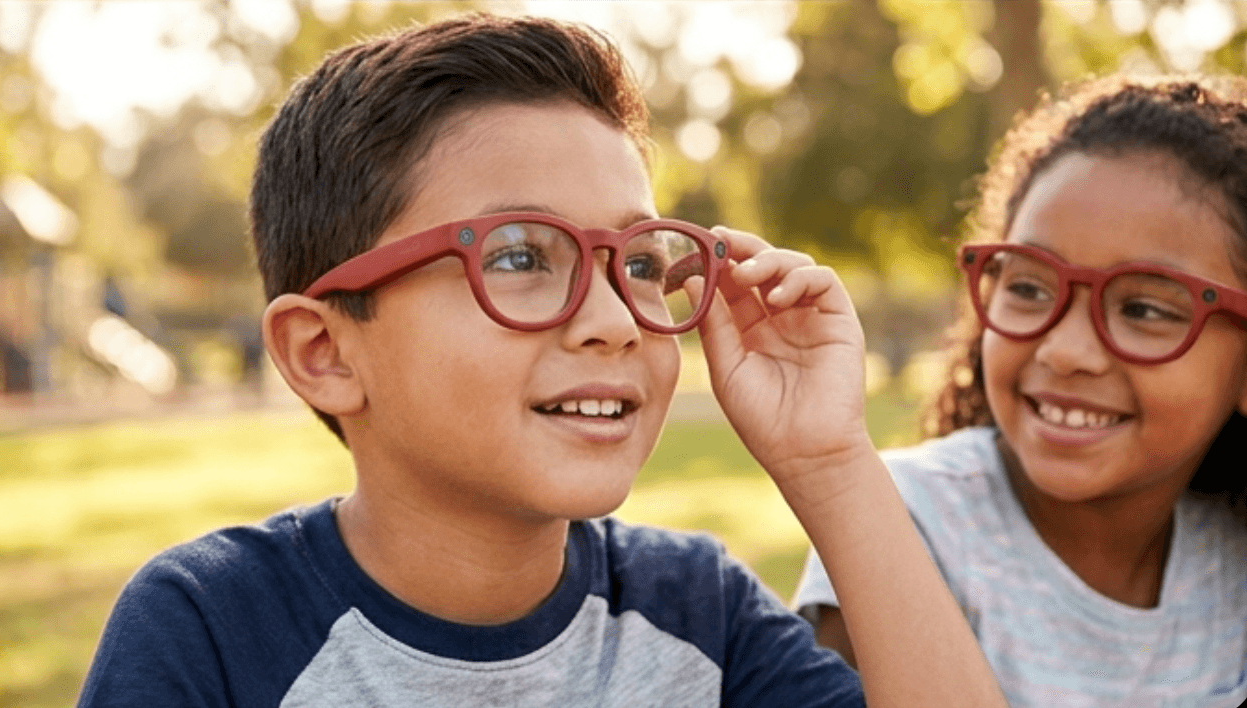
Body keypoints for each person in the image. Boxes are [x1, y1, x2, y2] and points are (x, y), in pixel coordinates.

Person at [77, 14, 1006, 708]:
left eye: (639, 262)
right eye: (520, 257)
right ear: (324, 352)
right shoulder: (209, 632)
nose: (612, 321)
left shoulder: (698, 616)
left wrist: (829, 463)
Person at [794, 73, 1247, 708]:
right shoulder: (900, 523)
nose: (1063, 349)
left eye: (1144, 309)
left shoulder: (1229, 558)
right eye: (1030, 287)